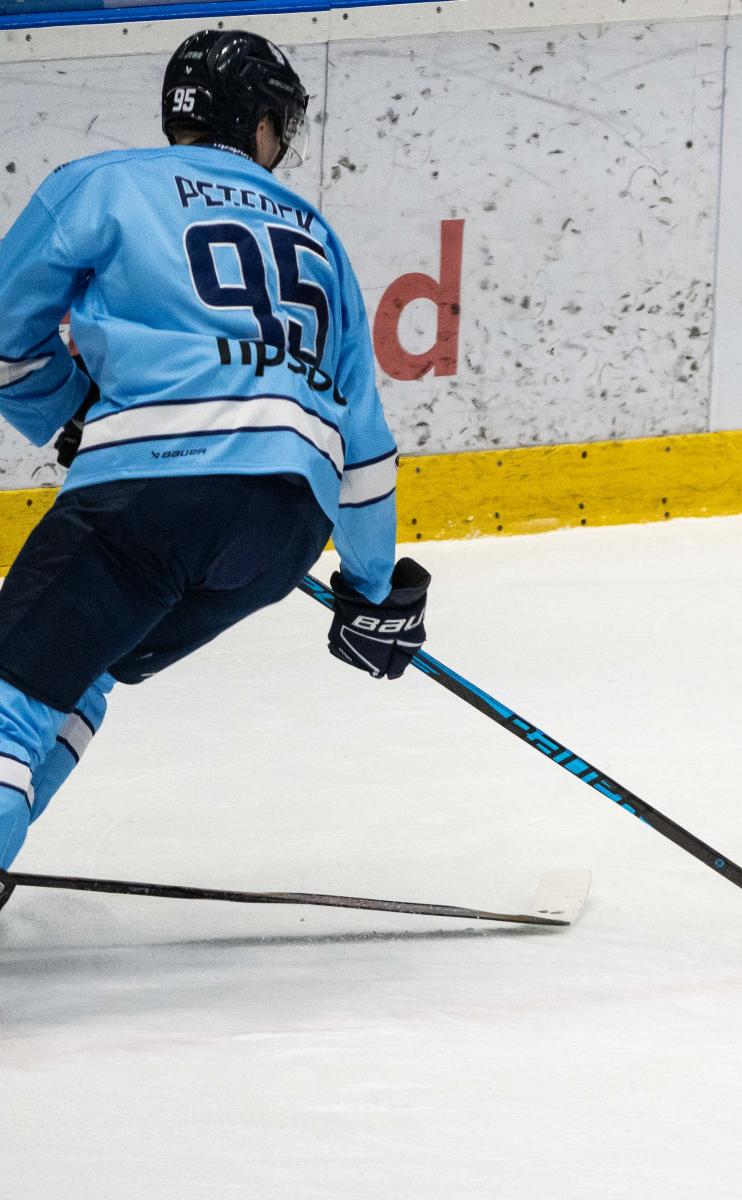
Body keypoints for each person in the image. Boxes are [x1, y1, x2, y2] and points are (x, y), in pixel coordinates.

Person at [0, 29, 430, 873]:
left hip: (144, 506)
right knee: (83, 667)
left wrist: (71, 410)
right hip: (282, 531)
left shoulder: (103, 185)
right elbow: (363, 447)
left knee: (13, 699)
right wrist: (370, 591)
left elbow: (7, 347)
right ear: (260, 124)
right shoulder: (316, 232)